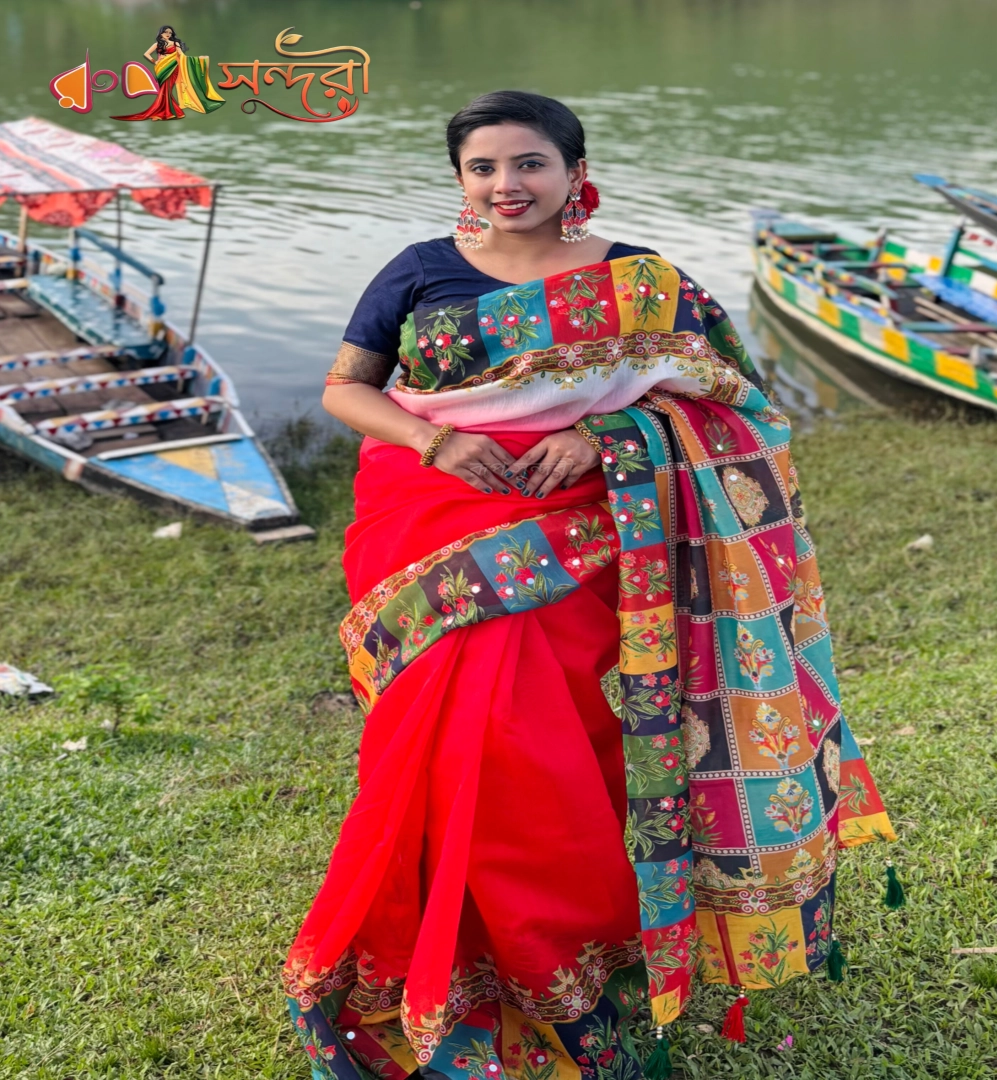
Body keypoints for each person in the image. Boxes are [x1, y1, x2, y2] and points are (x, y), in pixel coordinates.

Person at [283, 90, 895, 1080]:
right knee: (441, 738)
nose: (505, 185)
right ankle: (430, 956)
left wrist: (606, 434)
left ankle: (562, 953)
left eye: (527, 164)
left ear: (574, 172)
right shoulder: (416, 272)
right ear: (460, 181)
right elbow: (346, 390)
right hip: (432, 510)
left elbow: (737, 406)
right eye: (482, 168)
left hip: (580, 526)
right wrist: (439, 438)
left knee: (544, 733)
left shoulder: (641, 284)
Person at [111, 25, 225, 122]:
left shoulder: (175, 44)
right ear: (161, 33)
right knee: (164, 90)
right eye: (166, 32)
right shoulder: (157, 44)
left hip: (173, 68)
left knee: (167, 89)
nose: (168, 34)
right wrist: (155, 62)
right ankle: (169, 112)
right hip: (161, 68)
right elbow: (147, 54)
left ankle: (166, 112)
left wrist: (198, 60)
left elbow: (182, 56)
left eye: (170, 32)